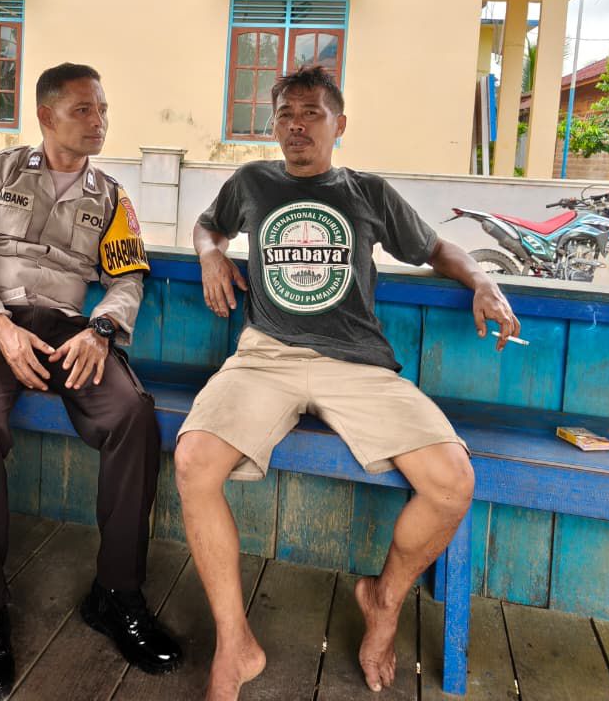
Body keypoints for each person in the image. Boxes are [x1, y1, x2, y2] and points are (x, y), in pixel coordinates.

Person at [174, 65, 520, 699]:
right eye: (285, 114)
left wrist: (483, 281)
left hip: (357, 364)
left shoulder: (367, 191)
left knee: (452, 483)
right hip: (267, 355)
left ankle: (383, 601)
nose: (296, 125)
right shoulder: (251, 182)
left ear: (339, 124)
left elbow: (436, 249)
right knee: (193, 461)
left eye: (311, 113)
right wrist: (210, 252)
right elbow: (207, 224)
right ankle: (235, 643)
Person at [0, 62, 181, 701]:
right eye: (83, 110)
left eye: (102, 109)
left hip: (70, 330)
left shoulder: (112, 198)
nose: (99, 121)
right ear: (46, 116)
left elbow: (127, 279)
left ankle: (117, 593)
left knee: (133, 416)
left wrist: (101, 330)